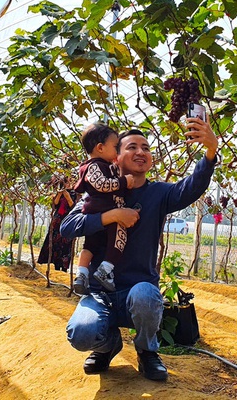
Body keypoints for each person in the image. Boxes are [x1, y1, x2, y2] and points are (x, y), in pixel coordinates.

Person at [60, 117, 218, 381]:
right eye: (131, 147)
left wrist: (210, 152)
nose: (141, 152)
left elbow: (191, 188)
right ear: (115, 156)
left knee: (145, 295)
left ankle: (146, 351)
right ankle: (107, 346)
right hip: (100, 293)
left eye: (146, 148)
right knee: (81, 333)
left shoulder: (159, 193)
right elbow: (68, 227)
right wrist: (111, 215)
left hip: (138, 289)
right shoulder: (96, 194)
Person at [72, 123, 135, 293]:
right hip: (105, 211)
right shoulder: (93, 166)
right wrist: (124, 182)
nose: (118, 152)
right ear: (100, 147)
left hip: (95, 214)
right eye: (116, 147)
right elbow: (102, 184)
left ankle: (82, 275)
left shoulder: (104, 165)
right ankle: (105, 270)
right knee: (119, 239)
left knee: (90, 247)